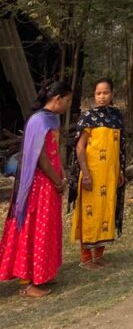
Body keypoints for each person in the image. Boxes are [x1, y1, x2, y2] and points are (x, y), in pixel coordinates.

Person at [0, 80, 73, 297]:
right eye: (68, 100)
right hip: (38, 185)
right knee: (32, 227)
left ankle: (42, 273)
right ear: (57, 99)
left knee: (47, 227)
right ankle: (26, 282)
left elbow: (55, 151)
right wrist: (56, 180)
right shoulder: (38, 121)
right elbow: (41, 156)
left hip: (51, 184)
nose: (69, 105)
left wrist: (62, 176)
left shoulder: (53, 119)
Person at [69, 77, 126, 269]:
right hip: (91, 175)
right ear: (94, 95)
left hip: (110, 175)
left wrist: (119, 171)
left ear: (112, 94)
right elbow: (80, 148)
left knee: (106, 212)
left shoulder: (116, 117)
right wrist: (85, 174)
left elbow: (119, 147)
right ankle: (86, 258)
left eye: (106, 93)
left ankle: (99, 255)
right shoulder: (88, 117)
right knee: (89, 215)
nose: (102, 97)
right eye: (98, 93)